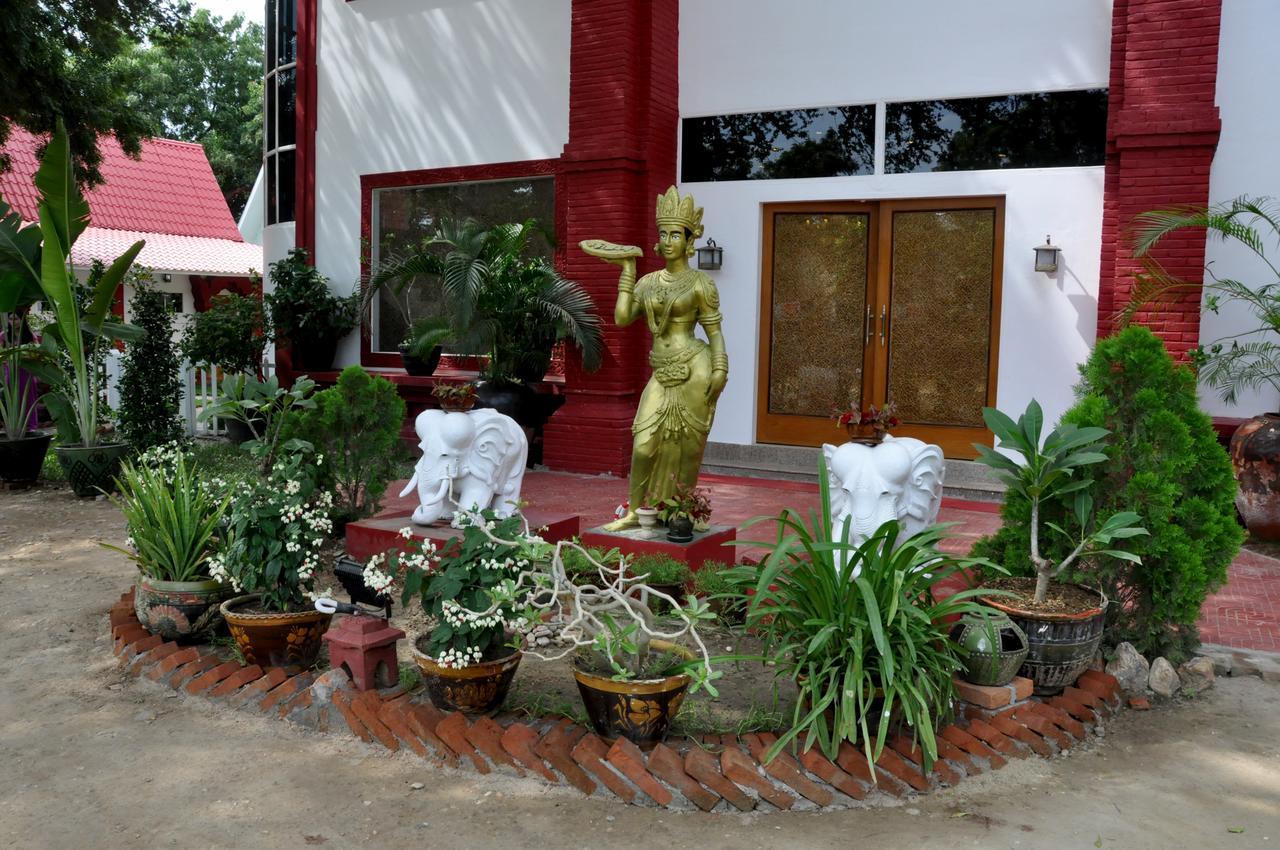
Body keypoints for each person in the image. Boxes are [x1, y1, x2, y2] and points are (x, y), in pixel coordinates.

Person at [586, 186, 727, 531]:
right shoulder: (648, 282)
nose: (667, 241)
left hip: (695, 367)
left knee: (689, 447)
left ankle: (684, 511)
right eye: (663, 234)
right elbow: (621, 318)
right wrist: (626, 270)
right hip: (661, 372)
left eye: (675, 234)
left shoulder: (700, 284)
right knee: (644, 445)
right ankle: (636, 510)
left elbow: (714, 333)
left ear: (689, 240)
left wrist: (720, 369)